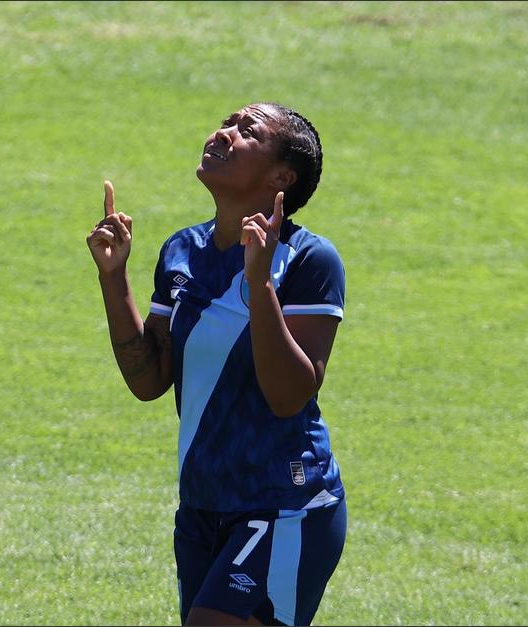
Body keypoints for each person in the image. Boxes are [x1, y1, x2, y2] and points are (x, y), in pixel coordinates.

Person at [86, 102, 347, 626]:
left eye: (247, 130)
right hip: (202, 507)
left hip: (285, 505)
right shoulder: (182, 250)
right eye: (227, 122)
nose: (224, 133)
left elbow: (289, 395)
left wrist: (259, 282)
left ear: (282, 177)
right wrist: (113, 278)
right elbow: (149, 380)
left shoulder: (309, 260)